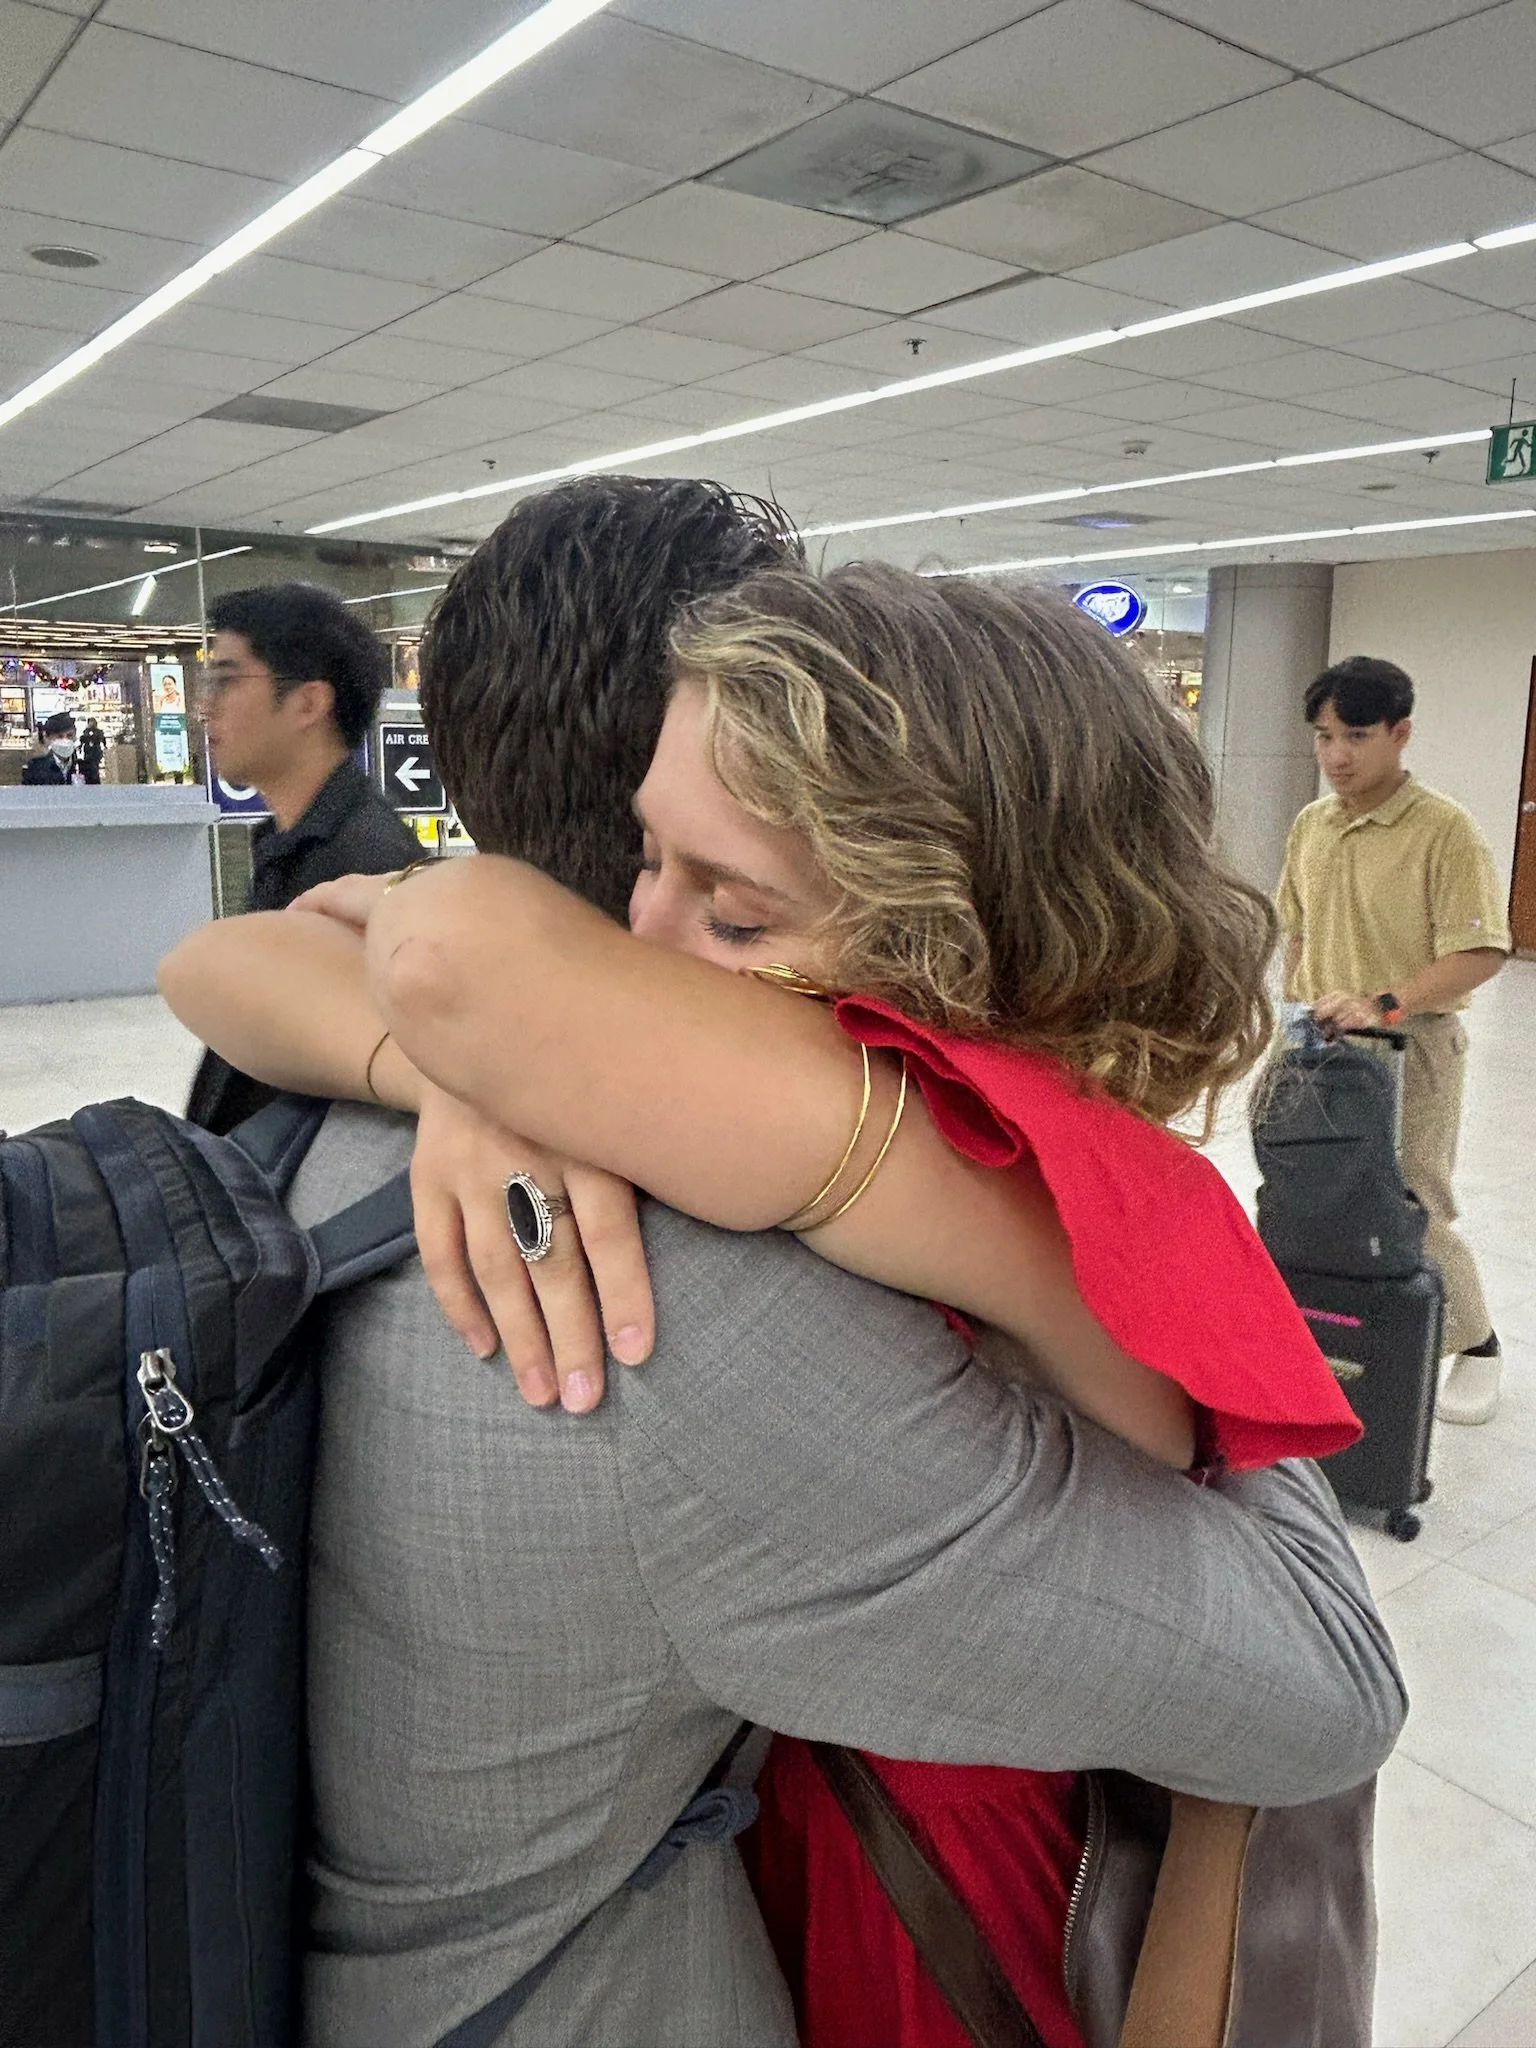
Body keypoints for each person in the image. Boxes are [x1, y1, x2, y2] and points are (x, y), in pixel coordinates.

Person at [161, 484, 1398, 2048]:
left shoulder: (386, 1102)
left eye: (731, 907)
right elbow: (1328, 1690)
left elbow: (265, 959)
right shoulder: (686, 1308)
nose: (654, 935)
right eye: (658, 875)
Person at [1279, 655, 1511, 1426]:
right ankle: (1358, 1341)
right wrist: (1297, 1014)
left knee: (1410, 1200)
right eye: (1323, 737)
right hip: (1322, 1047)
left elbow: (1481, 952)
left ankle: (1476, 1344)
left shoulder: (1444, 831)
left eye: (1356, 735)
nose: (1337, 755)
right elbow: (1300, 932)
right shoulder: (1313, 823)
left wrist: (1384, 1004)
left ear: (1399, 733)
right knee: (1318, 1197)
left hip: (1411, 1048)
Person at [184, 581, 419, 1135]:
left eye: (226, 680)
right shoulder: (289, 845)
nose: (204, 707)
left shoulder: (362, 869)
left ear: (308, 702)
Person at [21, 710, 81, 784]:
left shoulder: (85, 768)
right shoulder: (36, 767)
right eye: (59, 736)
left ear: (75, 736)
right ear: (48, 738)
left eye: (70, 735)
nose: (65, 740)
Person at [78, 717, 106, 784]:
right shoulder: (86, 731)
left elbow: (102, 739)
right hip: (88, 751)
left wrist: (105, 746)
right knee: (88, 766)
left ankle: (95, 779)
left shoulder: (99, 731)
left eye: (92, 722)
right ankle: (89, 779)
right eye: (90, 722)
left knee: (95, 767)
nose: (91, 723)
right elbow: (83, 740)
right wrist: (80, 746)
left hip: (95, 751)